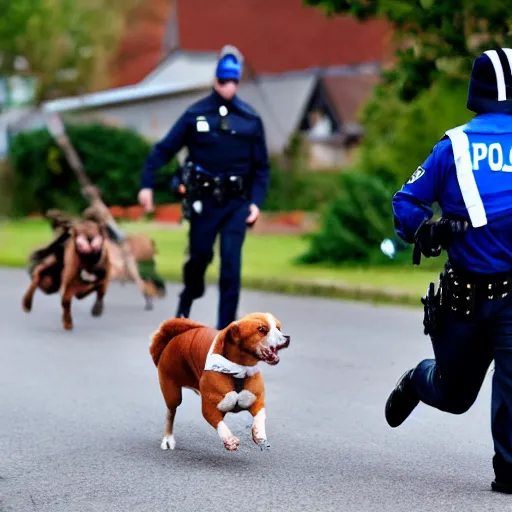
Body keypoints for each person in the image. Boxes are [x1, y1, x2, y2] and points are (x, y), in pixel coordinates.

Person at [384, 48, 512, 493]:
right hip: (465, 299)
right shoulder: (456, 146)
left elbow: (405, 202)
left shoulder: (450, 144)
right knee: (454, 395)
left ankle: (508, 472)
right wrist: (432, 231)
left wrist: (423, 229)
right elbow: (409, 203)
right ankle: (422, 378)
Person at [137, 45, 270, 330]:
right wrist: (146, 184)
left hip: (237, 203)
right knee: (199, 259)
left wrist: (256, 203)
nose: (228, 87)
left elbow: (262, 168)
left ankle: (225, 333)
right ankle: (187, 298)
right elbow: (164, 150)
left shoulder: (250, 120)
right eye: (223, 81)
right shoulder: (195, 114)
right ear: (215, 81)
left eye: (233, 82)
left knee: (231, 267)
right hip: (204, 202)